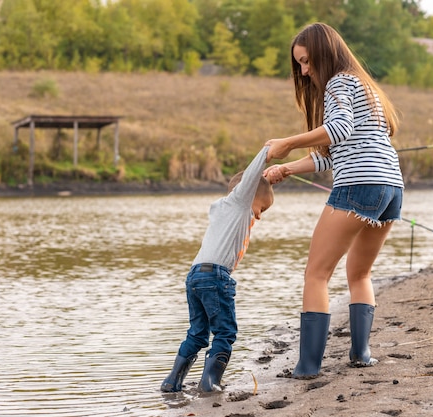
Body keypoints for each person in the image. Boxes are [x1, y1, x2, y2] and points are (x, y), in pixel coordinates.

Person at [263, 22, 404, 377]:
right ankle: (361, 355)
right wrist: (289, 168)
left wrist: (287, 142)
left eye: (307, 61)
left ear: (325, 53)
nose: (305, 71)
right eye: (299, 65)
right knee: (359, 273)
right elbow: (333, 153)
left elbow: (338, 130)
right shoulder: (364, 85)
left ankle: (308, 367)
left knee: (316, 274)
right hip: (391, 189)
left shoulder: (339, 82)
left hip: (360, 185)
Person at [161, 146, 274, 393]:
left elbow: (254, 184)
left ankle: (172, 383)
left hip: (195, 276)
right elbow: (250, 180)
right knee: (225, 331)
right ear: (246, 194)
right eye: (262, 209)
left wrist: (268, 178)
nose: (260, 216)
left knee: (198, 334)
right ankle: (210, 383)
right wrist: (267, 153)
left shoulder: (223, 209)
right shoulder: (240, 203)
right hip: (215, 276)